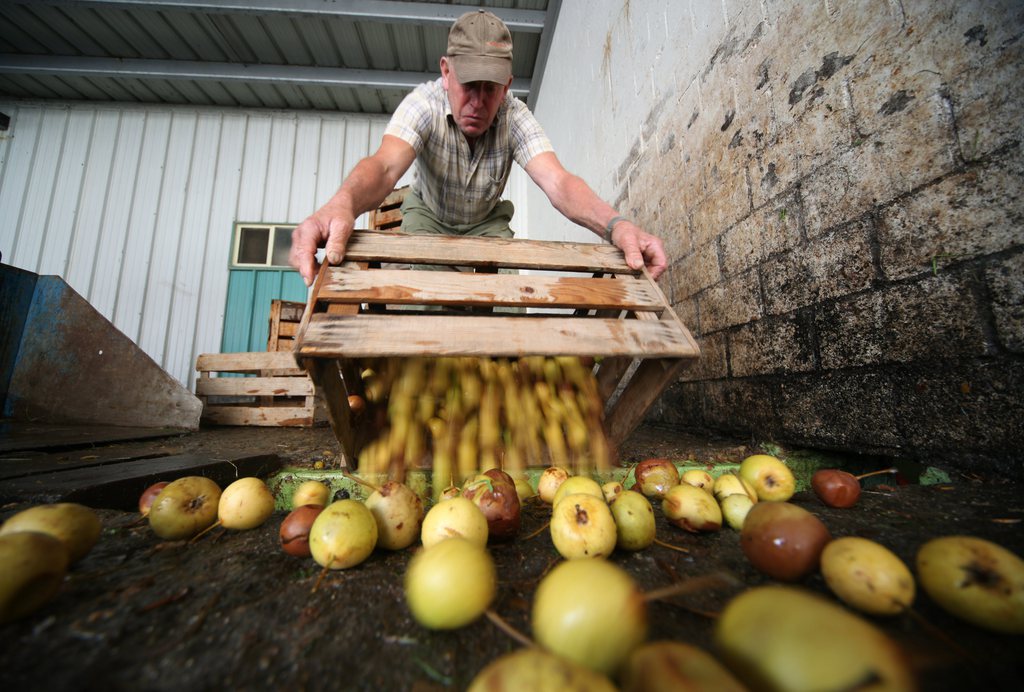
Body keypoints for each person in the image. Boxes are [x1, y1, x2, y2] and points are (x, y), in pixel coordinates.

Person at [289, 9, 667, 286]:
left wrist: (616, 225)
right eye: (469, 85)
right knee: (424, 304)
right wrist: (342, 203)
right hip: (430, 216)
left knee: (508, 303)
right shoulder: (424, 105)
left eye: (491, 88)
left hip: (486, 223)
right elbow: (385, 167)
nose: (478, 102)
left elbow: (560, 183)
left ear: (507, 85)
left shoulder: (515, 116)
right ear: (446, 71)